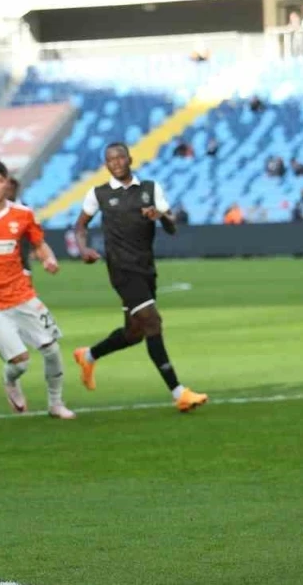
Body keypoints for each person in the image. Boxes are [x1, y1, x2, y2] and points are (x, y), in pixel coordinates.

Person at [71, 143, 208, 413]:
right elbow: (80, 226)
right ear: (106, 164)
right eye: (110, 159)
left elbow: (171, 227)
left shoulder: (150, 189)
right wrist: (84, 248)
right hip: (121, 270)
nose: (117, 162)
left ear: (130, 158)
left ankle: (88, 356)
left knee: (134, 333)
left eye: (120, 157)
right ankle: (179, 392)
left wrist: (160, 216)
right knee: (153, 322)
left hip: (146, 268)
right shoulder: (98, 193)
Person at [0, 160, 74, 419]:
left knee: (52, 349)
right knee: (20, 362)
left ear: (7, 183)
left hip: (23, 294)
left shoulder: (23, 213)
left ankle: (56, 403)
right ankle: (10, 381)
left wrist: (49, 258)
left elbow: (39, 244)